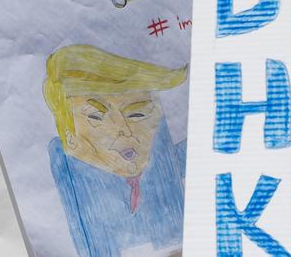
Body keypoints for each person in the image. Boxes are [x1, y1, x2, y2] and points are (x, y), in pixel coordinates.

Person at [42, 44, 187, 257]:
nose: (125, 131)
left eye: (137, 114)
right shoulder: (78, 184)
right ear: (70, 137)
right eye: (96, 117)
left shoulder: (161, 157)